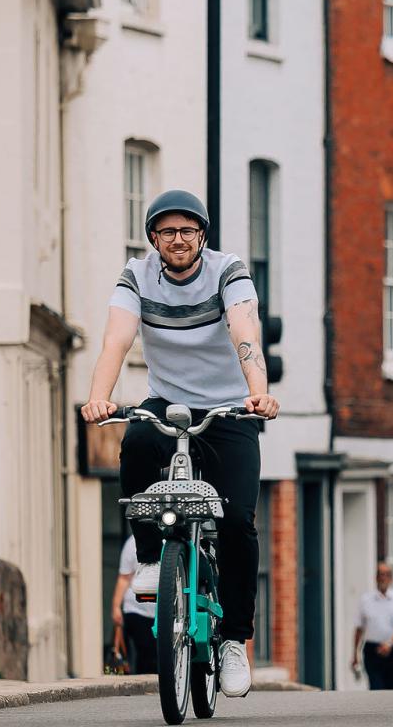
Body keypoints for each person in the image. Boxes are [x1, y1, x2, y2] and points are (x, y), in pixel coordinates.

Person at [80, 189, 280, 698]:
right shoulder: (136, 276)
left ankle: (234, 639)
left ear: (202, 235)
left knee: (236, 521)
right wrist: (99, 399)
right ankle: (151, 557)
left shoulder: (226, 271)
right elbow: (116, 340)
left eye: (187, 231)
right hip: (167, 402)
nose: (177, 240)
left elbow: (245, 332)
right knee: (137, 442)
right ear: (153, 239)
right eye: (166, 232)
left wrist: (258, 394)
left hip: (230, 407)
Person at [351, 562, 393, 690]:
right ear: (376, 577)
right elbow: (359, 628)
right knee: (376, 687)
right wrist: (355, 654)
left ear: (391, 578)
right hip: (372, 650)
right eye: (380, 574)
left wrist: (389, 644)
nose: (383, 578)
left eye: (386, 575)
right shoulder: (365, 600)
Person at [111, 535, 157, 674]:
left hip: (165, 610)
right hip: (137, 610)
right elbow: (124, 577)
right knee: (146, 654)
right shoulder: (132, 543)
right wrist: (116, 607)